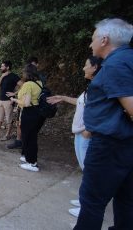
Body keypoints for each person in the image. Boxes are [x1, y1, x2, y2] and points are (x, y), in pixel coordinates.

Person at [74, 18, 133, 230]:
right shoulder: (129, 59)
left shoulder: (115, 65)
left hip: (111, 145)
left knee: (92, 201)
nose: (91, 44)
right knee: (126, 199)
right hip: (125, 145)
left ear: (104, 39)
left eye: (93, 39)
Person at [47, 56, 102, 217]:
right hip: (79, 133)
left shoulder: (99, 87)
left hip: (86, 134)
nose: (84, 68)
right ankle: (84, 199)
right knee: (85, 169)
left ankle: (88, 207)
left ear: (95, 67)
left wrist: (88, 130)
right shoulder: (91, 86)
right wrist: (63, 98)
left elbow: (101, 111)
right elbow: (81, 103)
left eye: (86, 65)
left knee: (90, 171)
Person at [10, 64, 42, 172]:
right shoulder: (39, 83)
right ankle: (28, 157)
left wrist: (15, 100)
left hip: (28, 112)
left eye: (23, 72)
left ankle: (32, 163)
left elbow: (26, 103)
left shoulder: (28, 85)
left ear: (27, 73)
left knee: (28, 137)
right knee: (31, 136)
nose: (22, 74)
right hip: (36, 112)